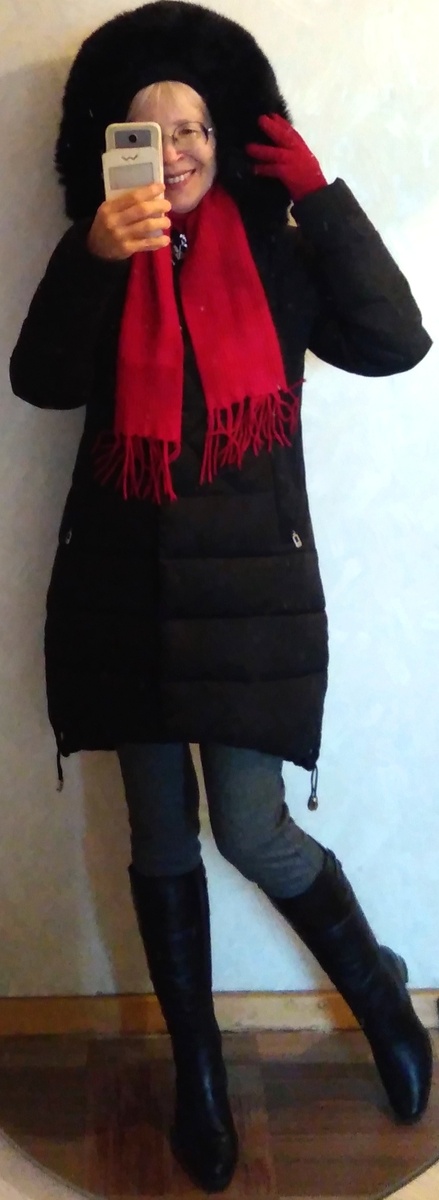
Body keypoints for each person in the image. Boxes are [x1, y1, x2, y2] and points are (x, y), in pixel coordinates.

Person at [9, 1, 433, 1192]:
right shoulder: (102, 251)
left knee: (253, 829)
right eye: (145, 134)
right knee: (158, 839)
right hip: (124, 596)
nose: (174, 153)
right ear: (111, 150)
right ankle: (198, 1071)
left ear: (227, 134)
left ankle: (381, 1002)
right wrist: (93, 259)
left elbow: (395, 339)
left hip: (252, 604)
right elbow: (39, 381)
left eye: (191, 128)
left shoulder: (281, 253)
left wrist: (320, 198)